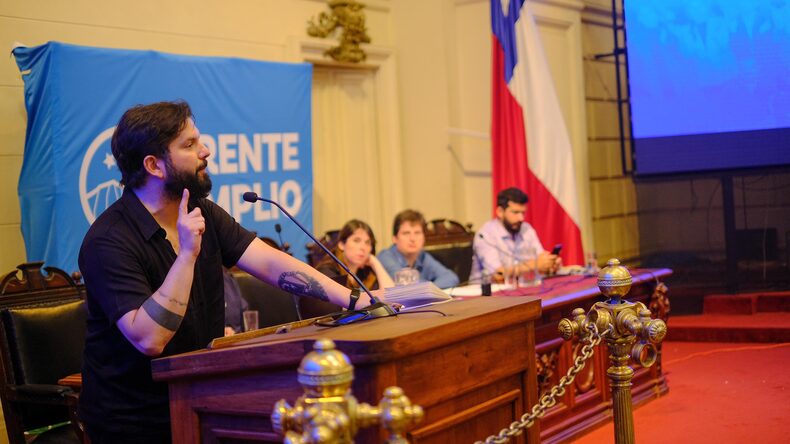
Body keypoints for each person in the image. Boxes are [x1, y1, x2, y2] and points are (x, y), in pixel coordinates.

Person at [78, 101, 382, 443]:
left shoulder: (202, 210)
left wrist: (358, 300)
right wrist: (187, 256)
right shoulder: (108, 241)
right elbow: (149, 338)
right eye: (189, 145)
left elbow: (269, 262)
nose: (205, 151)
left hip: (202, 395)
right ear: (154, 165)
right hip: (135, 421)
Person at [304, 220, 394, 317]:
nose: (363, 247)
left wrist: (375, 263)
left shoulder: (366, 273)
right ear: (341, 244)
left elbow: (391, 297)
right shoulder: (328, 271)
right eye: (356, 240)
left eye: (368, 243)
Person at [469, 187, 561, 283]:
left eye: (523, 213)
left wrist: (550, 263)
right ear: (500, 212)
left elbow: (540, 257)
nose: (521, 218)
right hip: (487, 295)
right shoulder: (485, 235)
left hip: (523, 290)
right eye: (515, 212)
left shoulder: (526, 229)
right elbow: (499, 275)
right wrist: (535, 264)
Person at [378, 209, 460, 288]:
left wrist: (431, 289)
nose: (412, 239)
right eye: (406, 233)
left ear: (424, 237)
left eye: (417, 233)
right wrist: (431, 288)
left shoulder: (422, 256)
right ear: (394, 238)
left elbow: (451, 277)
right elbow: (407, 285)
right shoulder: (385, 257)